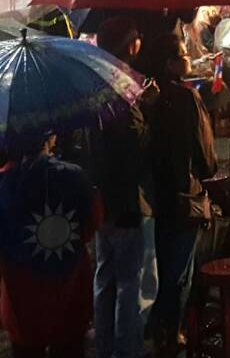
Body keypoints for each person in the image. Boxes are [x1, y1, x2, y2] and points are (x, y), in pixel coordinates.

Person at [137, 31, 217, 357]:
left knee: (155, 267)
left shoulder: (142, 98)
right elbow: (205, 157)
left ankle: (156, 328)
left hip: (152, 197)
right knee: (178, 273)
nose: (189, 59)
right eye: (184, 54)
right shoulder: (186, 99)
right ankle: (174, 332)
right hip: (184, 197)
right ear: (171, 63)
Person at [0, 135, 103, 358]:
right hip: (69, 295)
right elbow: (92, 223)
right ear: (49, 137)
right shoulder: (74, 176)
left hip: (21, 299)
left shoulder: (2, 181)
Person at [85, 18, 157, 358]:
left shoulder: (94, 81)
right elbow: (133, 145)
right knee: (131, 283)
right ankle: (126, 350)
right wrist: (146, 109)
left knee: (105, 279)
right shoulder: (121, 86)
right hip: (126, 199)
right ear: (129, 44)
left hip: (101, 198)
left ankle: (105, 347)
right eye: (136, 35)